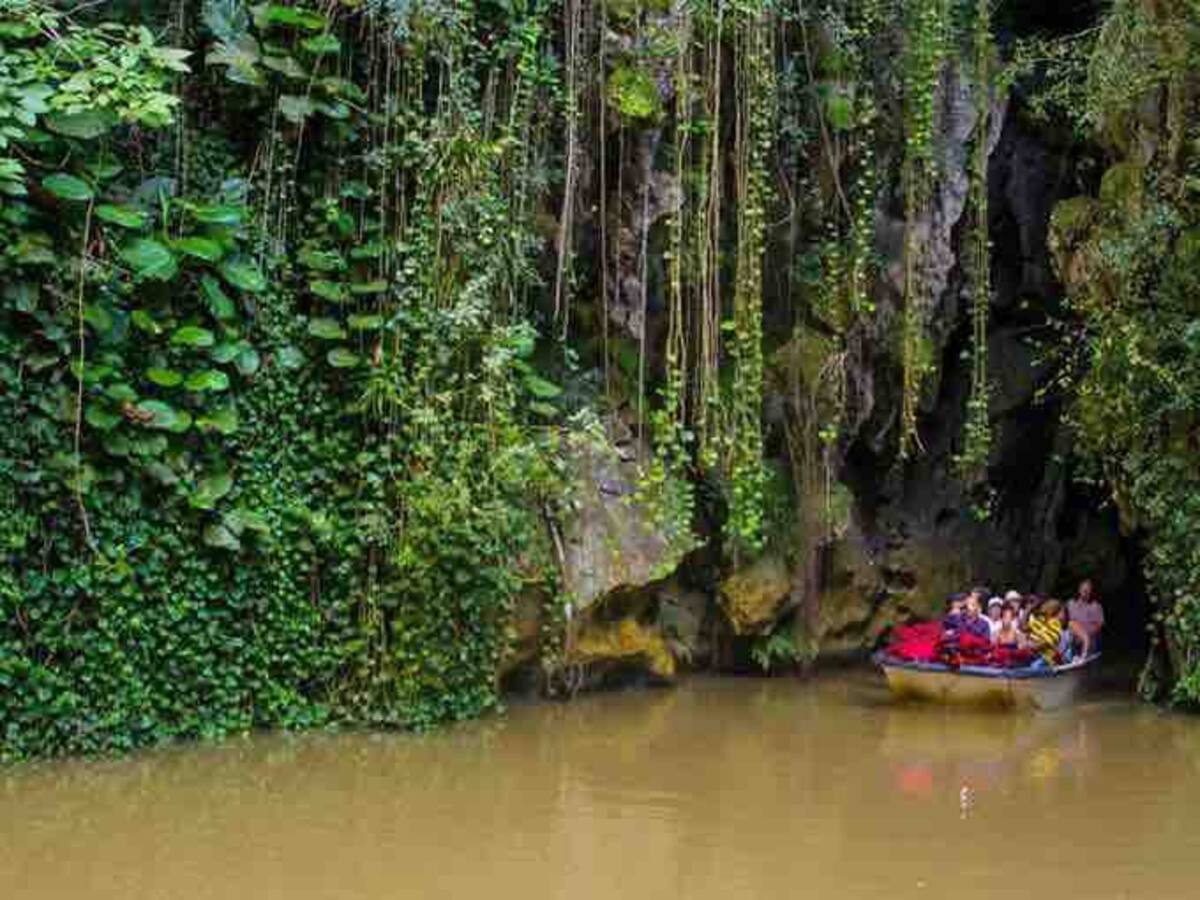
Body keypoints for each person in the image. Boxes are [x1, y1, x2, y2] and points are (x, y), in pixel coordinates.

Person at [1067, 579, 1105, 659]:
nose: (1085, 591)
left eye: (1088, 589)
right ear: (1079, 589)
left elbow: (1099, 625)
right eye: (1083, 589)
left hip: (1089, 637)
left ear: (1091, 591)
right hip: (1072, 637)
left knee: (1091, 641)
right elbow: (1066, 621)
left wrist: (1083, 636)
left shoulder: (1095, 606)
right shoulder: (1070, 603)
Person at [1027, 598, 1064, 668]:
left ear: (1052, 610)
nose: (1043, 606)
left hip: (1046, 658)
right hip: (1033, 654)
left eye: (1047, 605)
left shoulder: (1056, 624)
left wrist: (1030, 646)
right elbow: (1023, 628)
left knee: (1033, 667)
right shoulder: (1040, 619)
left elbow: (1045, 643)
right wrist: (1029, 609)